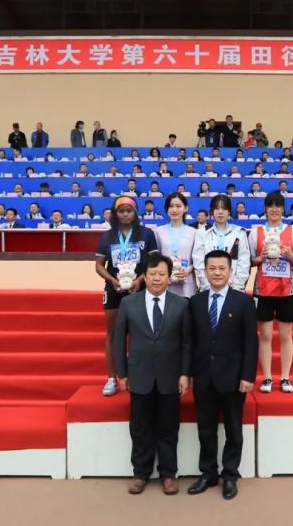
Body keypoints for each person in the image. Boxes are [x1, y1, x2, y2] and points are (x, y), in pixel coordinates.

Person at [112, 253, 191, 495]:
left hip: (170, 375)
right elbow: (118, 341)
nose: (157, 278)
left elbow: (187, 343)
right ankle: (140, 473)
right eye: (152, 274)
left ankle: (168, 474)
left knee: (169, 427)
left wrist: (185, 374)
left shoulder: (181, 304)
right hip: (139, 374)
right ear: (144, 277)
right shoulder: (128, 303)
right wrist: (121, 373)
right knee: (140, 427)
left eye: (162, 274)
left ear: (169, 277)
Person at [187, 250, 257, 500]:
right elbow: (190, 341)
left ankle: (230, 475)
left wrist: (248, 376)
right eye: (212, 268)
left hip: (233, 378)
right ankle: (208, 473)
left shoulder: (244, 302)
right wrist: (188, 373)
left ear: (230, 271)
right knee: (205, 429)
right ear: (205, 271)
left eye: (221, 268)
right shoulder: (195, 302)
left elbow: (251, 343)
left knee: (233, 429)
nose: (217, 273)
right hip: (203, 377)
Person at [96, 196, 159, 397]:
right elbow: (99, 266)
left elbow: (153, 263)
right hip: (114, 289)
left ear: (135, 213)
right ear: (115, 214)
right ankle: (111, 378)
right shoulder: (107, 236)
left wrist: (140, 280)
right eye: (121, 211)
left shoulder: (147, 234)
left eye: (129, 211)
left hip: (139, 288)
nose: (125, 214)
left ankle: (135, 375)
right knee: (112, 333)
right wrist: (112, 280)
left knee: (139, 333)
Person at [249, 192, 293, 394]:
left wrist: (288, 254)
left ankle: (285, 377)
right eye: (270, 206)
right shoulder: (256, 232)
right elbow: (249, 261)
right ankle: (266, 378)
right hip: (263, 289)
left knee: (285, 335)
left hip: (286, 290)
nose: (274, 209)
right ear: (265, 209)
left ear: (283, 209)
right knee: (264, 335)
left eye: (278, 206)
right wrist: (261, 258)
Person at [193, 195, 251, 292]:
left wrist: (236, 287)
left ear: (229, 211)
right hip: (208, 289)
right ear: (212, 211)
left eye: (224, 208)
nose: (220, 212)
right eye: (217, 208)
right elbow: (199, 263)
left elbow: (244, 262)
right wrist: (209, 286)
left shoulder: (239, 232)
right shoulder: (201, 233)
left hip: (234, 289)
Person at [154, 193, 198, 297]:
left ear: (185, 208)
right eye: (171, 206)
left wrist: (188, 270)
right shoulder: (158, 231)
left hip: (186, 281)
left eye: (178, 206)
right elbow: (156, 257)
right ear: (167, 209)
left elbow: (198, 259)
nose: (174, 210)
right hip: (165, 280)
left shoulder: (194, 232)